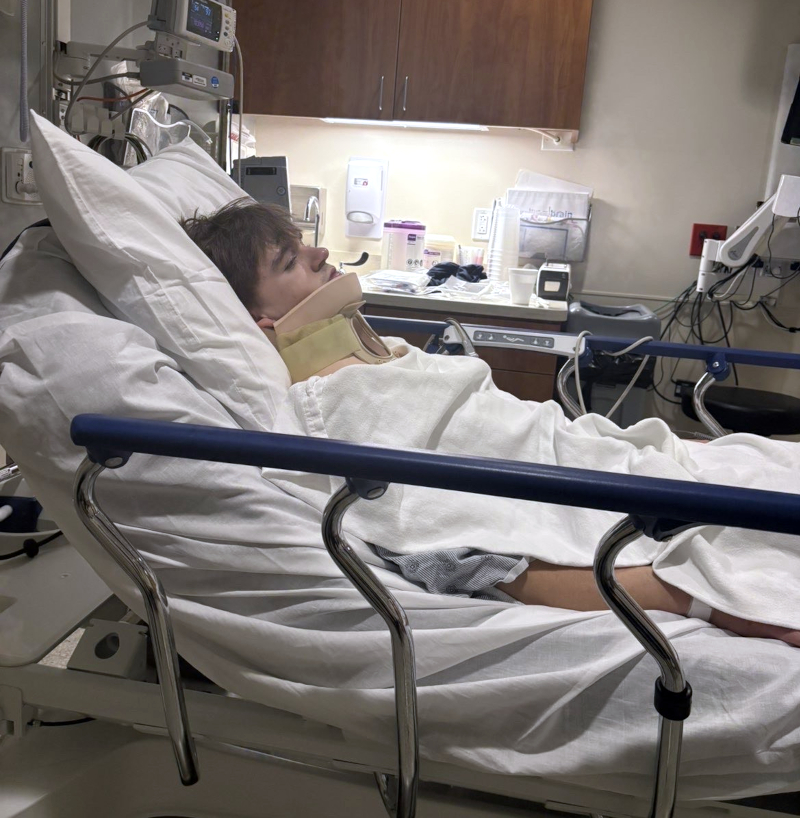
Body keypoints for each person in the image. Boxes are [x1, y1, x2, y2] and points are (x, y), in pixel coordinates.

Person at [182, 198, 800, 647]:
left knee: (745, 466)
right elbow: (461, 556)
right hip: (592, 502)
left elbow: (510, 429)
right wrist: (699, 603)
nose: (319, 252)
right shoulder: (330, 411)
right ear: (263, 323)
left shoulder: (388, 350)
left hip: (588, 458)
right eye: (291, 259)